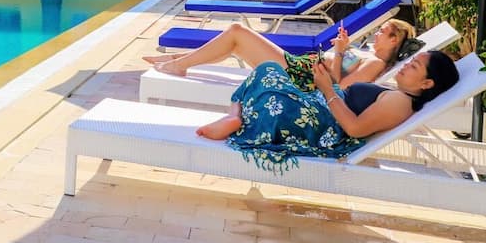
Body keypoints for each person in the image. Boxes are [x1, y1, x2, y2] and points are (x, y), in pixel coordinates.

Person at [195, 50, 460, 172]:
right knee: (268, 69)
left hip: (322, 124)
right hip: (323, 107)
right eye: (411, 61)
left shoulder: (400, 102)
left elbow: (355, 128)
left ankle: (237, 116)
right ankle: (235, 116)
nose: (406, 66)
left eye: (414, 67)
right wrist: (326, 83)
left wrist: (327, 89)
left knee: (271, 85)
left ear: (427, 84)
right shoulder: (398, 96)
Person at [143, 19, 421, 91]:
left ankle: (178, 63)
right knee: (236, 44)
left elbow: (338, 89)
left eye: (382, 32)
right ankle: (177, 61)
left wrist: (339, 53)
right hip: (299, 67)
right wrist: (342, 51)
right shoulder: (371, 56)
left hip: (298, 77)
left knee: (237, 31)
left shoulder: (374, 63)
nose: (376, 34)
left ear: (394, 40)